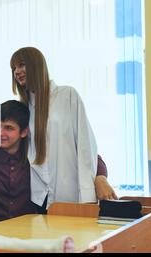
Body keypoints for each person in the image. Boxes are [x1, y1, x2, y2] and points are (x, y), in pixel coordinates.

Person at [10, 47, 117, 212]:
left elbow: (85, 146)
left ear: (37, 66)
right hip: (37, 198)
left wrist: (89, 192)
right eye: (14, 68)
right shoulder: (23, 108)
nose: (17, 71)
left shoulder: (67, 95)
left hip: (68, 194)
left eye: (22, 65)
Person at [0, 100, 113, 223]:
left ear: (24, 132)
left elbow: (89, 157)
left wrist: (100, 178)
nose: (0, 133)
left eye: (8, 128)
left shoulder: (37, 151)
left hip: (31, 230)